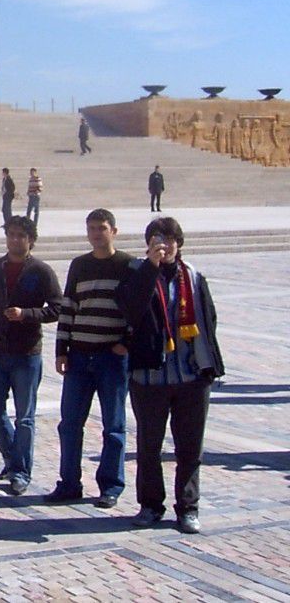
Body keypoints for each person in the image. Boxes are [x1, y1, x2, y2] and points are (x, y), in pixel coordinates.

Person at [117, 217, 224, 534]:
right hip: (150, 378)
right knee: (149, 447)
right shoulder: (137, 272)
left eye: (169, 239)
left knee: (190, 448)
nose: (163, 245)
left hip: (191, 376)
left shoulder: (192, 276)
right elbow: (130, 308)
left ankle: (188, 507)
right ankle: (151, 505)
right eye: (156, 239)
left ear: (179, 243)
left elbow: (209, 319)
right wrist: (150, 266)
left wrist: (208, 365)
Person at [46, 209, 134, 509]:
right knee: (69, 423)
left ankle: (111, 485)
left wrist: (126, 343)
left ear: (114, 231)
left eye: (102, 228)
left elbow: (138, 311)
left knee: (114, 425)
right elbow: (68, 307)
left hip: (111, 358)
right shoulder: (79, 265)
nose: (97, 233)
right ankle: (69, 483)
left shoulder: (127, 266)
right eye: (92, 228)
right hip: (80, 357)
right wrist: (61, 349)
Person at [0, 215, 63, 495]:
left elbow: (58, 308)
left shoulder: (41, 271)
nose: (15, 239)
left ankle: (20, 472)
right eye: (11, 234)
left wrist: (27, 315)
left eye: (21, 235)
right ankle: (13, 460)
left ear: (31, 240)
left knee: (25, 417)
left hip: (26, 354)